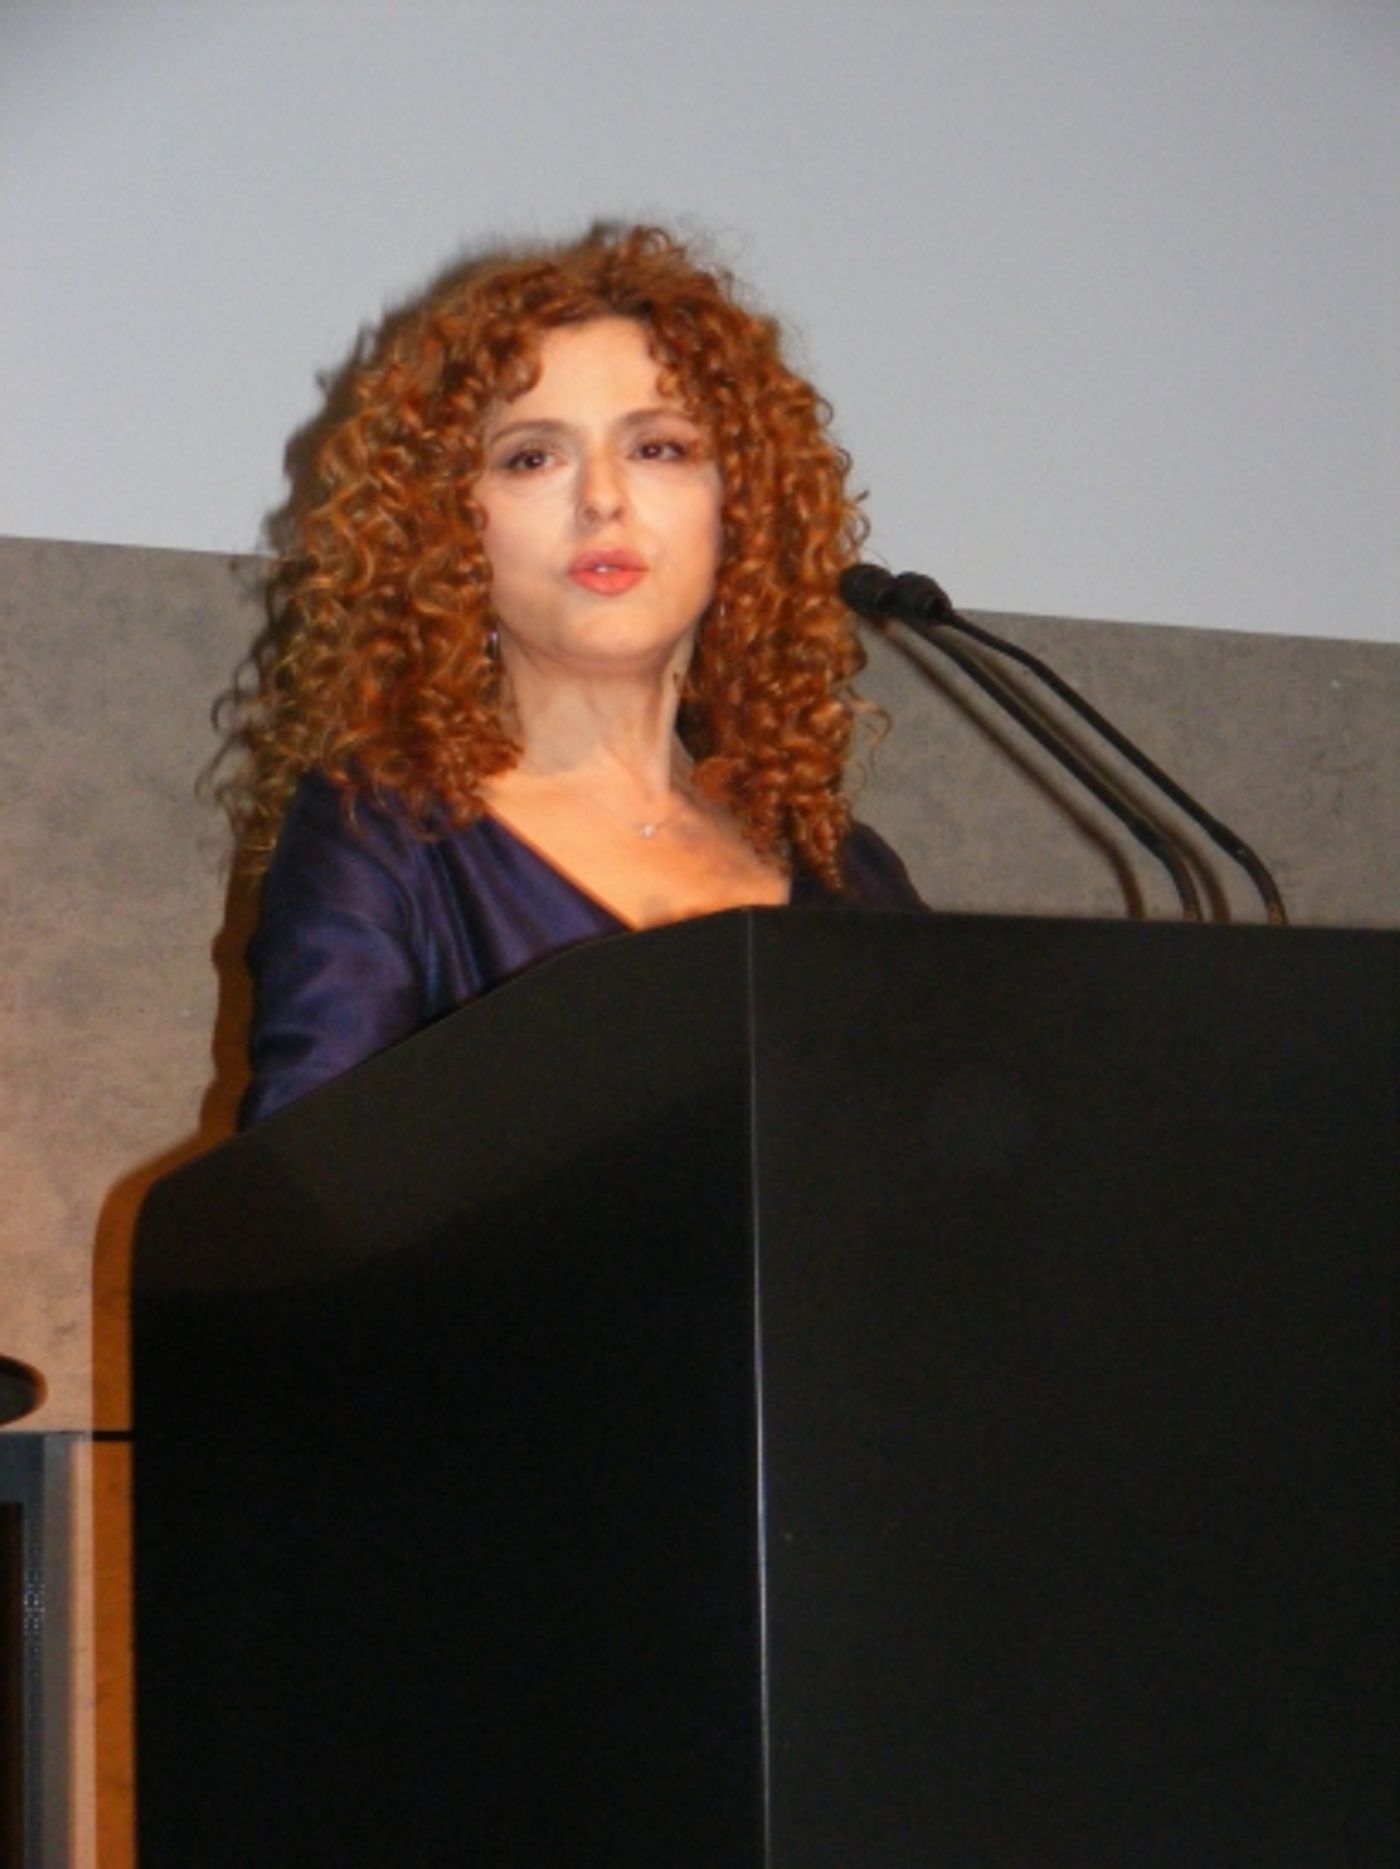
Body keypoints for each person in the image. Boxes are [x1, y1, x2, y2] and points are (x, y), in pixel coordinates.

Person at [227, 224, 925, 1126]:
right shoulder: (385, 836)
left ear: (741, 507)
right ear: (453, 529)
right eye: (532, 456)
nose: (602, 496)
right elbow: (304, 1222)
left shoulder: (845, 870)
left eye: (658, 448)